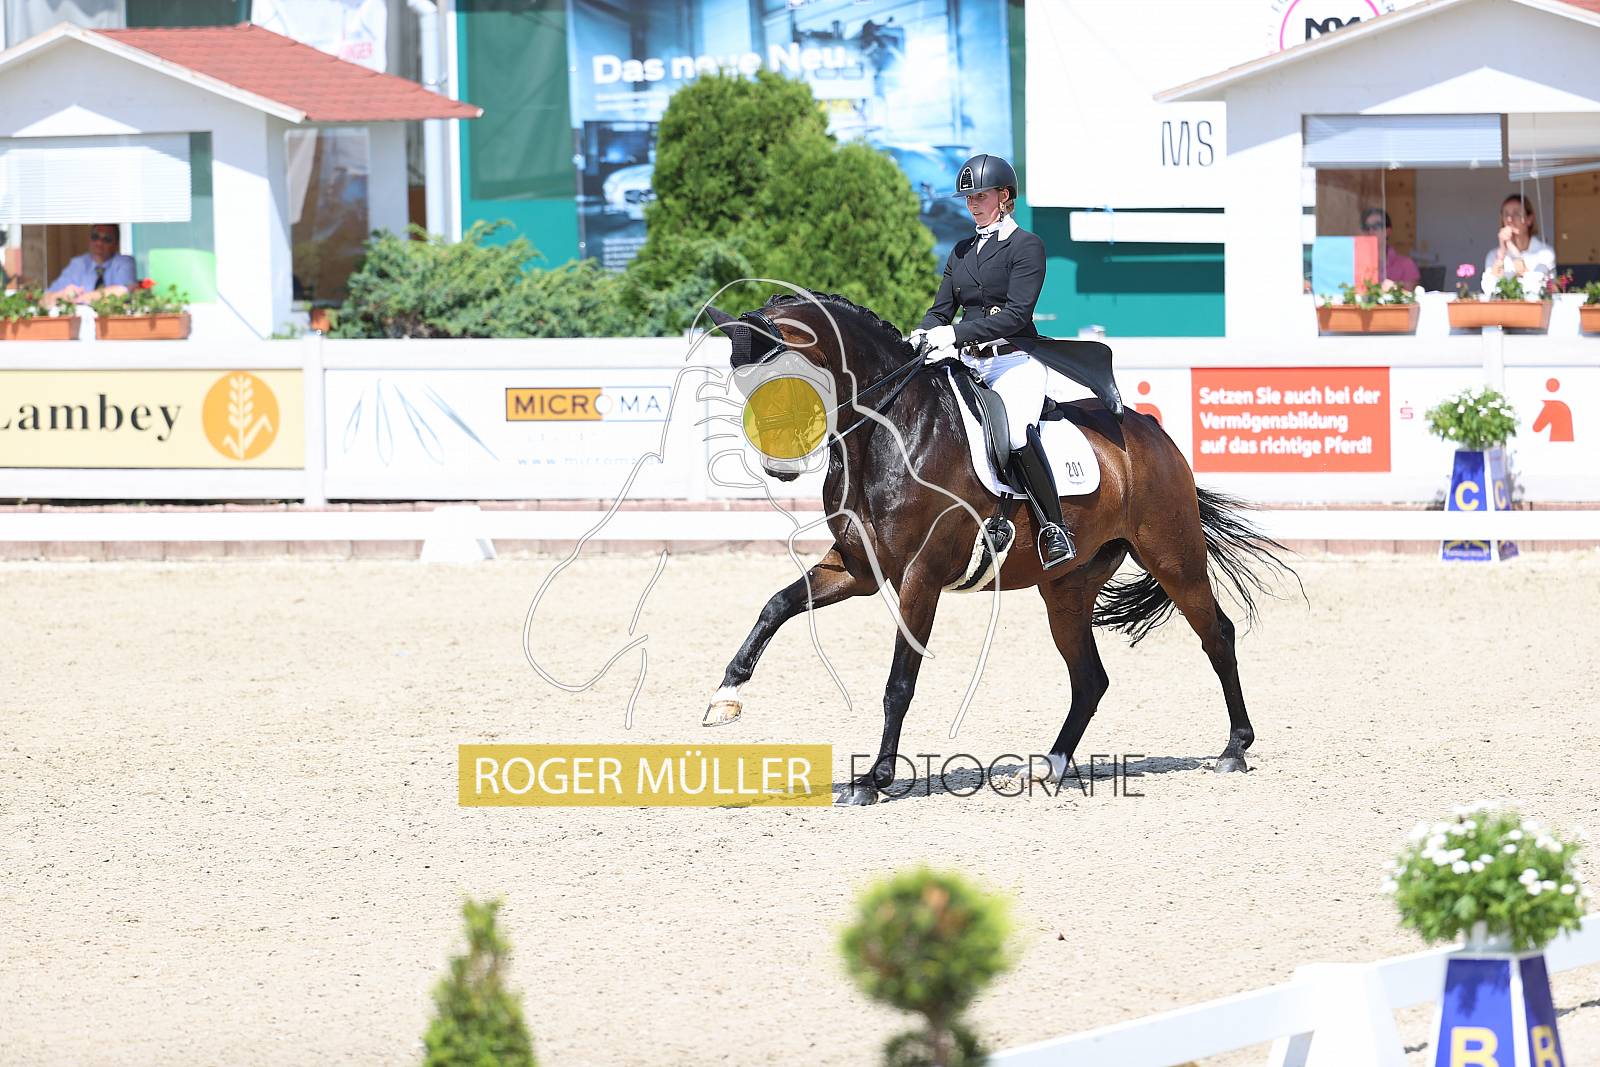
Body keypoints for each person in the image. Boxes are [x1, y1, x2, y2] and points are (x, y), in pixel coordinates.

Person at [905, 153, 1074, 569]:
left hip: (1013, 362)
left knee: (1013, 434)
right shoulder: (962, 251)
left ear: (1004, 196)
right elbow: (941, 311)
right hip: (968, 363)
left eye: (981, 196)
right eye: (968, 198)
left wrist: (955, 334)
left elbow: (1016, 315)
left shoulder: (1026, 246)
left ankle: (1054, 528)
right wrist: (922, 333)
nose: (973, 204)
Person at [43, 223, 136, 306]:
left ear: (116, 244)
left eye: (107, 239)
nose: (99, 243)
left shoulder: (124, 262)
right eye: (95, 237)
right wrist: (62, 295)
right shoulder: (78, 264)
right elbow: (45, 299)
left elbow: (124, 290)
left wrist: (81, 298)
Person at [1482, 194, 1555, 295]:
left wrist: (1515, 253)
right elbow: (1489, 289)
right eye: (1506, 214)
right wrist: (1501, 254)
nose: (1509, 219)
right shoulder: (1494, 255)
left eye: (1516, 214)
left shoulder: (1544, 253)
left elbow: (1536, 289)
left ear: (1529, 219)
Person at [1360, 208, 1420, 289]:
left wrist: (1394, 287)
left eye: (1376, 226)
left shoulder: (1406, 265)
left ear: (1387, 231)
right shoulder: (1356, 263)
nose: (1370, 231)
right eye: (1366, 227)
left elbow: (1410, 294)